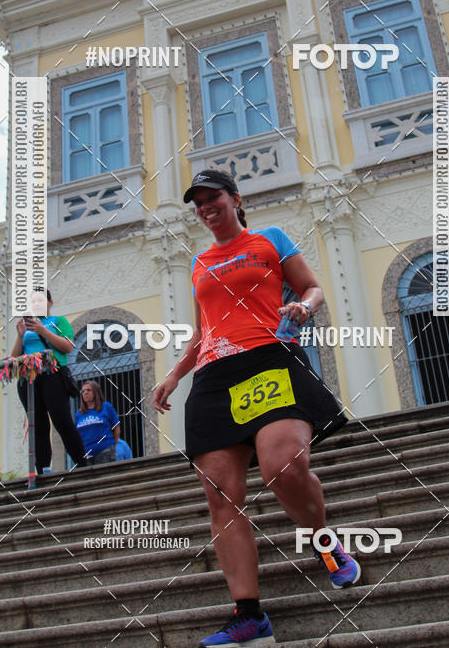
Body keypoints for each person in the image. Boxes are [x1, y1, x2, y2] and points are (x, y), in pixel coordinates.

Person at [153, 169, 360, 647]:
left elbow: (312, 287)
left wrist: (304, 307)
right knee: (221, 497)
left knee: (282, 467)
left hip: (269, 360)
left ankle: (324, 544)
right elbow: (205, 329)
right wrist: (174, 374)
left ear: (235, 199)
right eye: (198, 203)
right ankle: (248, 615)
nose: (205, 208)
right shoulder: (200, 262)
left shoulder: (270, 239)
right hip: (214, 377)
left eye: (213, 198)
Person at [12, 289, 86, 474]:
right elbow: (13, 361)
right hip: (29, 379)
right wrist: (20, 335)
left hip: (52, 374)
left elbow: (67, 346)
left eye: (40, 300)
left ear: (50, 301)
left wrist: (42, 330)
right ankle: (43, 468)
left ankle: (82, 464)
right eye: (33, 301)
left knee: (62, 420)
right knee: (38, 425)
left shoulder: (58, 321)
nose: (37, 304)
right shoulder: (26, 329)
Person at [76, 381, 120, 464]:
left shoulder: (106, 407)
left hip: (105, 450)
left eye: (88, 390)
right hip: (86, 454)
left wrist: (112, 444)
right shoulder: (79, 414)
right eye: (83, 391)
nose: (85, 393)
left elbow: (116, 427)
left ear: (96, 392)